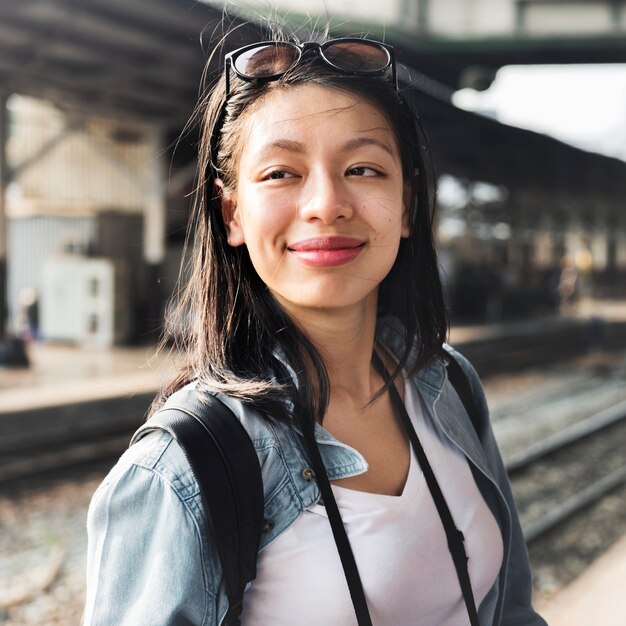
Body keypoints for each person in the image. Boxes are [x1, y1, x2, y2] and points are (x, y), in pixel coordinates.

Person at [83, 29, 547, 626]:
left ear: (406, 205)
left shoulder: (448, 384)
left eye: (362, 168)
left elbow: (509, 610)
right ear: (232, 214)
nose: (326, 204)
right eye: (281, 173)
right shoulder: (184, 469)